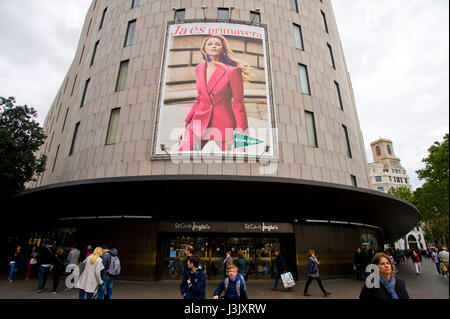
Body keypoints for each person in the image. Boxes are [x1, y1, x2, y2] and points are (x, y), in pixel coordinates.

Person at [178, 34, 250, 152]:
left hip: (224, 125)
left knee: (236, 160)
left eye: (217, 44)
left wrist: (241, 136)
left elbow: (239, 104)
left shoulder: (232, 71)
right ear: (204, 48)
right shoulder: (199, 68)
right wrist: (185, 124)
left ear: (222, 49)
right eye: (210, 44)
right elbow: (200, 98)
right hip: (199, 123)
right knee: (182, 156)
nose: (213, 46)